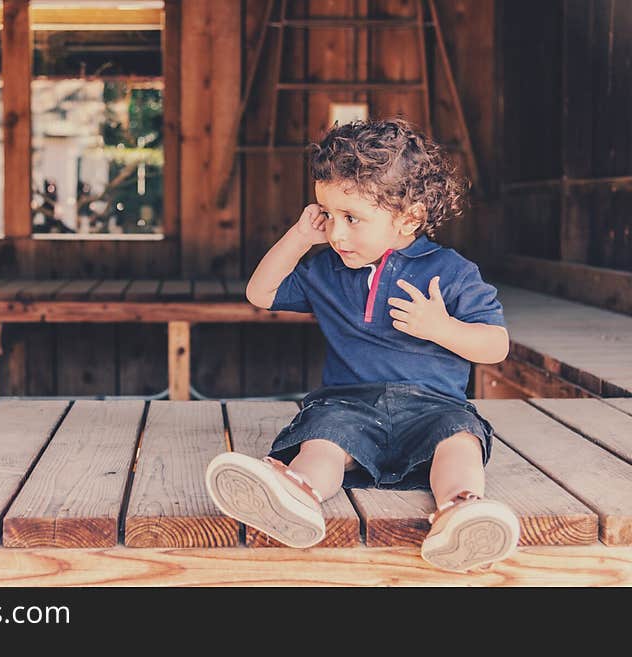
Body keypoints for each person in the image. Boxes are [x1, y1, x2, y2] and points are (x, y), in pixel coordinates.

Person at [205, 118, 520, 573]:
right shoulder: (328, 270)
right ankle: (297, 495)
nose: (335, 233)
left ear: (409, 217)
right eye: (327, 215)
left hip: (433, 408)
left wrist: (442, 328)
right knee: (324, 441)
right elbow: (261, 293)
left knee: (461, 439)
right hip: (348, 405)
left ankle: (460, 512)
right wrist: (298, 237)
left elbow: (497, 346)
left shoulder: (452, 272)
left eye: (351, 218)